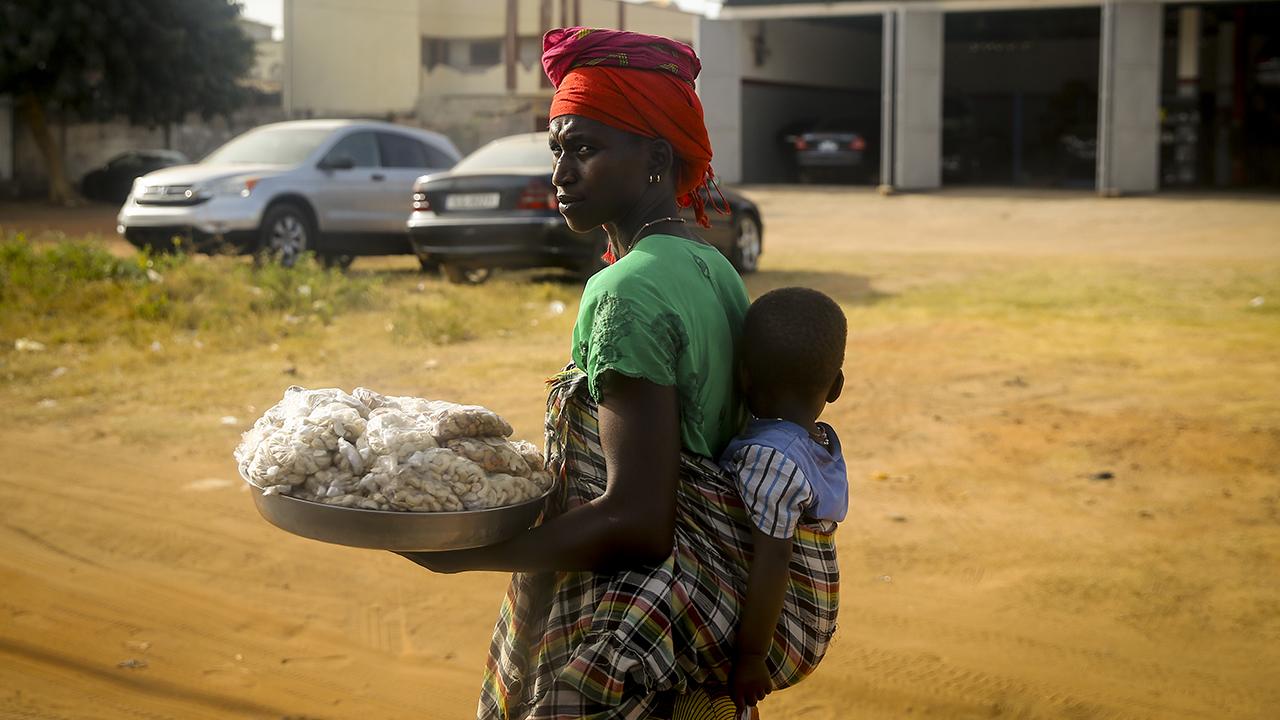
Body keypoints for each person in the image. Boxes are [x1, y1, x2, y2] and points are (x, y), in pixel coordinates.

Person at [398, 28, 839, 720]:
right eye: (558, 149)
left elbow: (639, 521)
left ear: (657, 157)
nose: (561, 172)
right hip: (694, 636)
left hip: (634, 638)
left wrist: (470, 553)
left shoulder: (624, 291)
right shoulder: (714, 268)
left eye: (587, 148)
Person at [717, 287, 849, 716]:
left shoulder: (770, 460)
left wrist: (753, 657)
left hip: (786, 634)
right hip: (810, 622)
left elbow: (773, 558)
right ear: (836, 388)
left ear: (743, 377)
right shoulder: (819, 443)